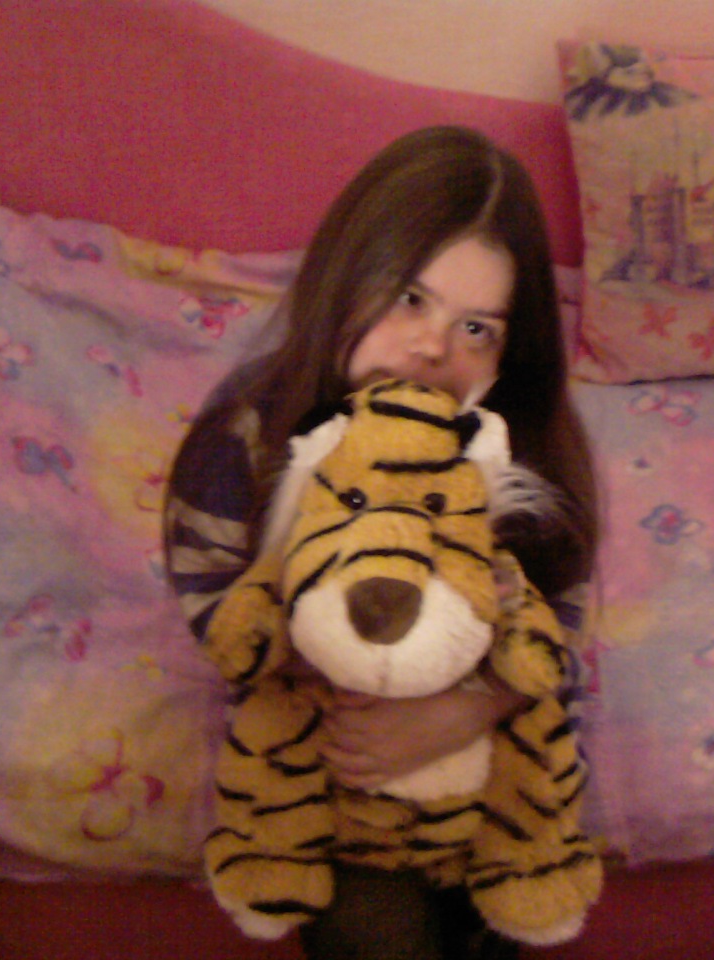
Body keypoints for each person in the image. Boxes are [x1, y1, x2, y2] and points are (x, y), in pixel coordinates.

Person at [164, 125, 599, 960]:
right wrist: (344, 677)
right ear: (343, 274)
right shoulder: (245, 432)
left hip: (486, 746)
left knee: (506, 904)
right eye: (408, 297)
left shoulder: (517, 443)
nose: (433, 345)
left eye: (478, 328)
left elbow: (561, 615)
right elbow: (214, 609)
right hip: (337, 749)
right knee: (373, 926)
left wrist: (472, 707)